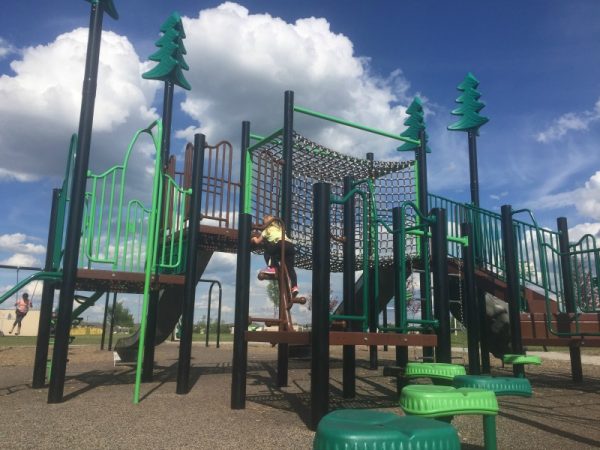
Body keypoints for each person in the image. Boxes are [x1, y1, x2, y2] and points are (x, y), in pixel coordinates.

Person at [251, 215, 299, 296]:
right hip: (290, 246)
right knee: (290, 268)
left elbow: (257, 241)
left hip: (280, 244)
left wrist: (253, 239)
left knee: (268, 252)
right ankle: (294, 287)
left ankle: (273, 268)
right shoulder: (280, 228)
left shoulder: (266, 231)